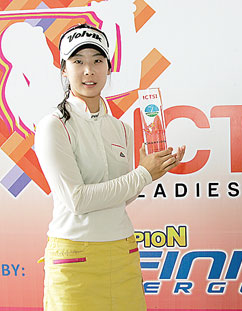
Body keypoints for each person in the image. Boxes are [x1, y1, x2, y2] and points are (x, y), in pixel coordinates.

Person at [35, 24, 185, 311]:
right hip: (74, 258)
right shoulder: (53, 125)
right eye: (78, 61)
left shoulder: (123, 129)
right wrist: (142, 174)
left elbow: (122, 197)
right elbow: (76, 200)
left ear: (108, 68)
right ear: (64, 70)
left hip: (122, 251)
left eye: (97, 60)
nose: (88, 70)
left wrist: (150, 171)